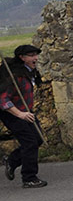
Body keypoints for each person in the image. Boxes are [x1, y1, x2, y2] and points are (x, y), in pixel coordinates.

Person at [0, 44, 47, 188]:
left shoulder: (29, 71)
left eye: (36, 54)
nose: (36, 58)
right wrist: (20, 114)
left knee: (38, 139)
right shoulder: (15, 75)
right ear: (22, 57)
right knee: (30, 142)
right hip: (12, 113)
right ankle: (29, 178)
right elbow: (2, 100)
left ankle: (12, 161)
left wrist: (26, 112)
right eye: (31, 55)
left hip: (26, 111)